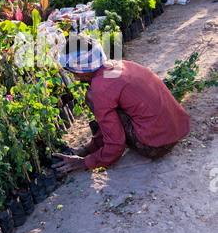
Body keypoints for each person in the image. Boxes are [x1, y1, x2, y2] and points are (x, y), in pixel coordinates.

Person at [52, 35, 191, 174]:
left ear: (80, 69)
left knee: (91, 98)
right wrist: (87, 149)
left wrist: (83, 162)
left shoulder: (101, 87)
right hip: (174, 132)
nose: (76, 78)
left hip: (156, 147)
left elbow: (115, 143)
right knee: (109, 108)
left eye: (74, 73)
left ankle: (141, 154)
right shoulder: (118, 65)